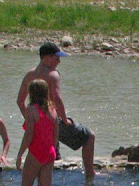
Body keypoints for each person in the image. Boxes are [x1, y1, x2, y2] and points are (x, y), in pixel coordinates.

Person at [17, 42, 96, 178]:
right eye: (56, 57)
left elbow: (20, 101)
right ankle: (90, 174)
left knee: (49, 155)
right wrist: (65, 120)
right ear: (46, 58)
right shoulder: (53, 74)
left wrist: (31, 120)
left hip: (37, 121)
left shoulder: (29, 74)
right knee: (89, 136)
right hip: (52, 119)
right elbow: (57, 100)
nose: (59, 61)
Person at [16, 80, 59, 186]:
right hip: (50, 152)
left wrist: (20, 154)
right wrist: (52, 150)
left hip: (36, 152)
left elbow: (29, 134)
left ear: (31, 93)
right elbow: (56, 134)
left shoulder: (31, 110)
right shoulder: (52, 110)